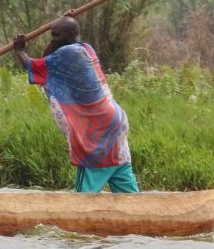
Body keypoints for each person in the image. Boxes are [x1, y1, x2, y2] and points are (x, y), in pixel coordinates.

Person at [10, 16, 139, 193]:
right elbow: (48, 59)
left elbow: (32, 65)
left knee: (83, 198)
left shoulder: (69, 54)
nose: (53, 40)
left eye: (56, 36)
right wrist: (60, 27)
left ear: (71, 35)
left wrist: (20, 51)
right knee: (128, 194)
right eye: (52, 36)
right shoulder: (87, 49)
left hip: (97, 132)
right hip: (114, 123)